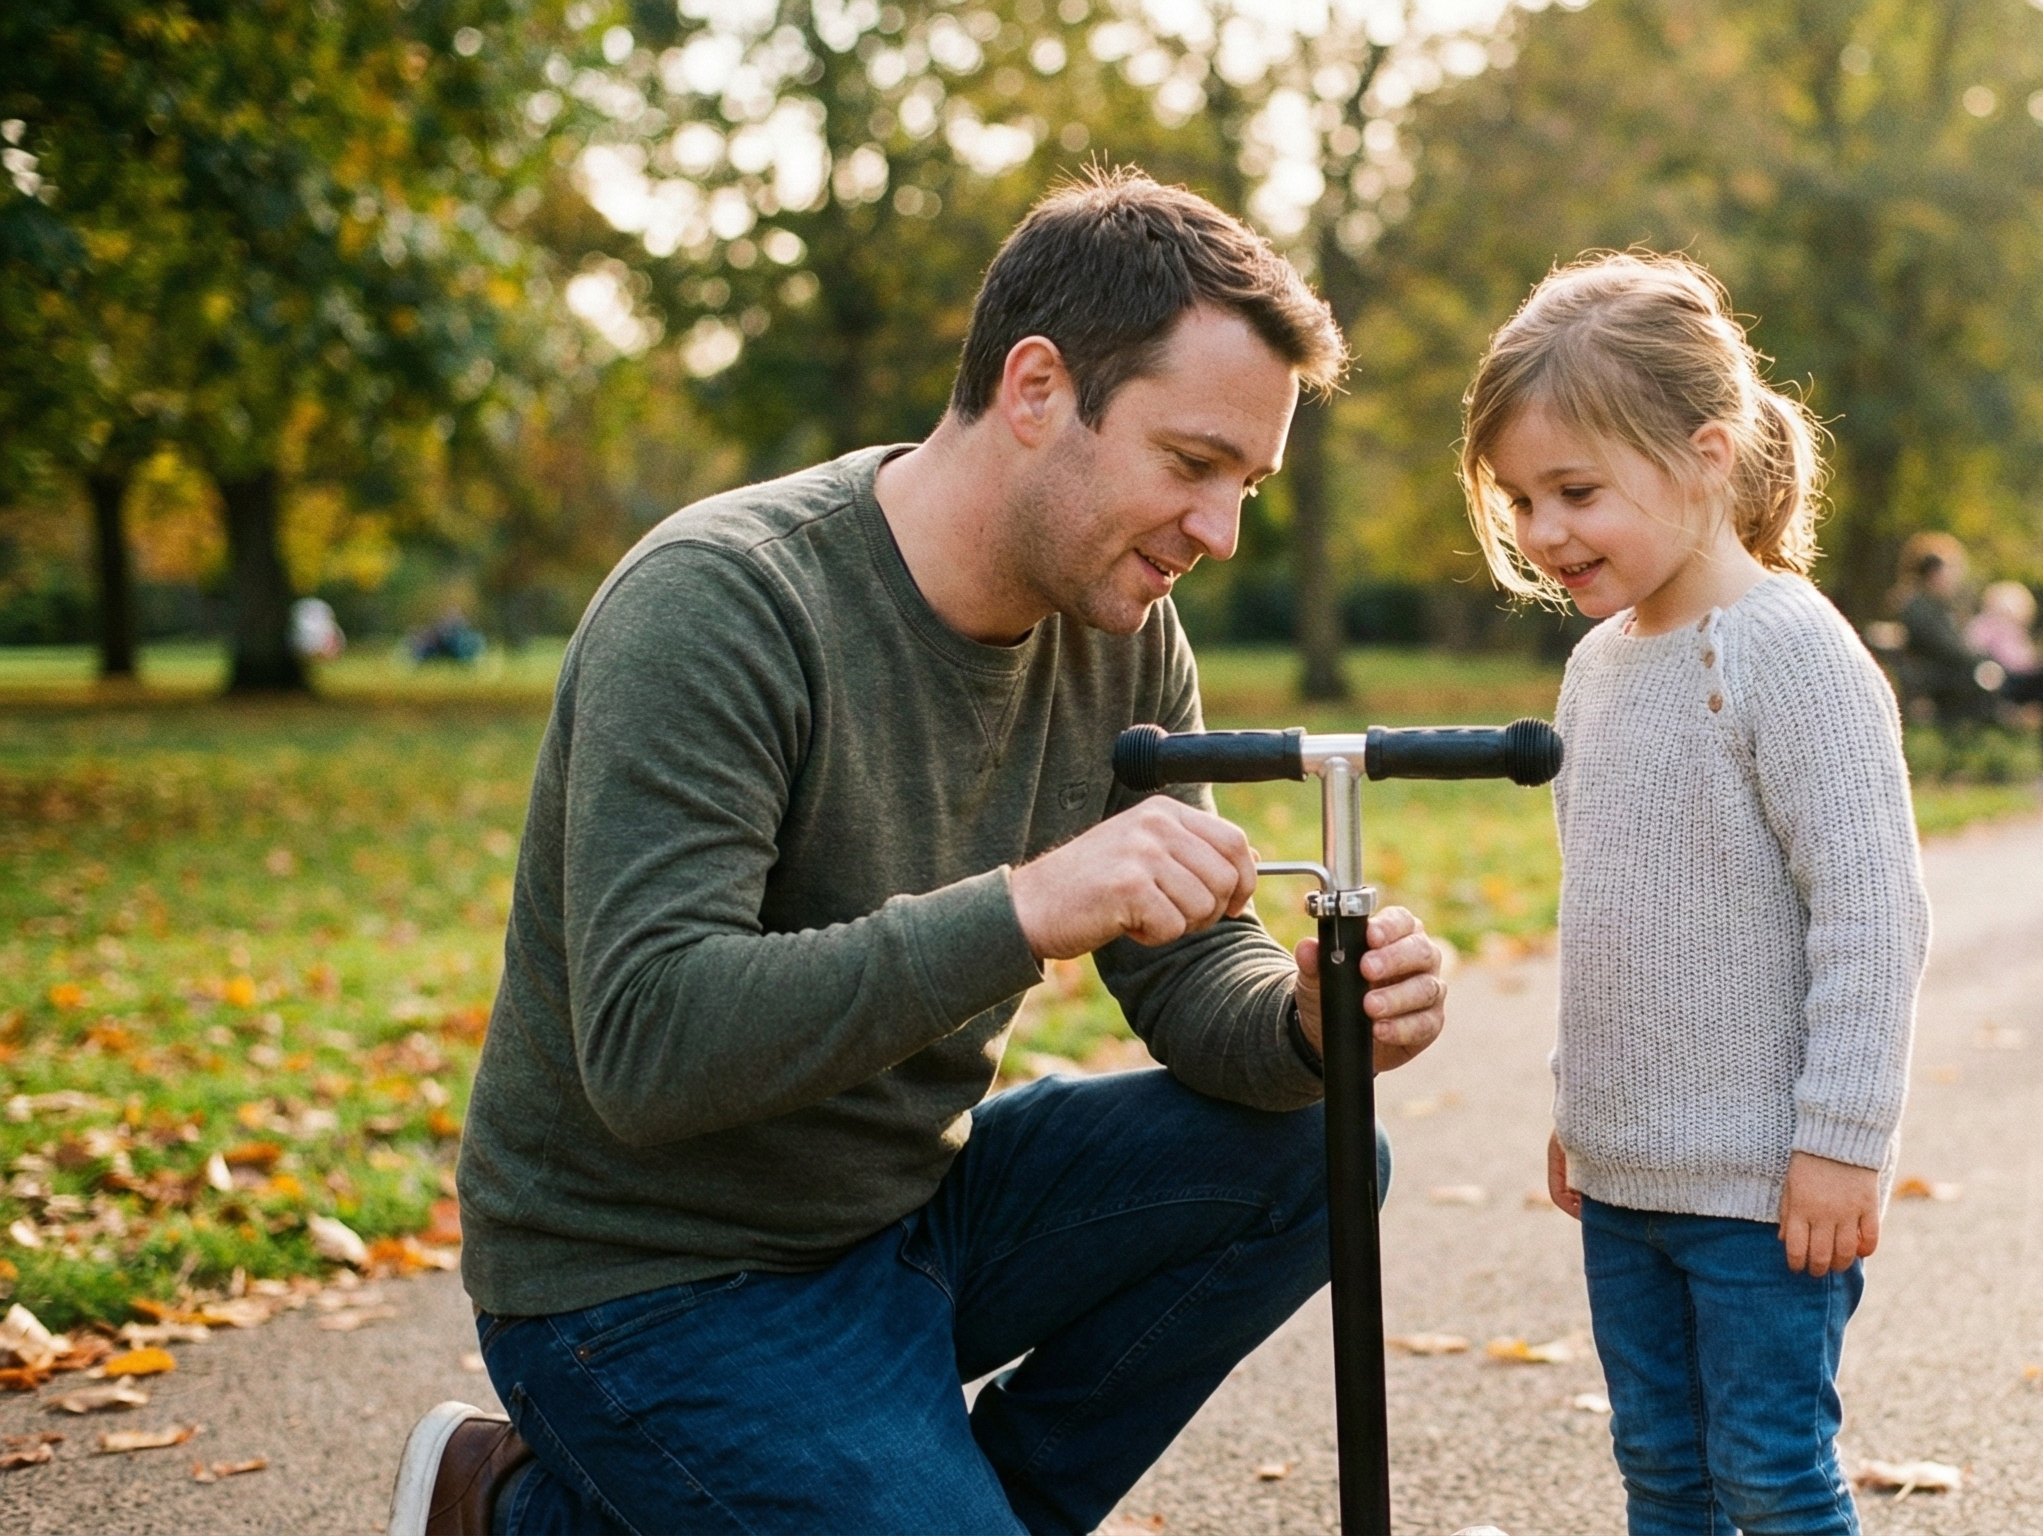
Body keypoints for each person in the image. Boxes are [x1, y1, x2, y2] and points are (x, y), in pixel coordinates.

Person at [387, 172, 1455, 1536]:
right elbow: (649, 1049)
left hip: (907, 1217)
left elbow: (1193, 982)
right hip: (643, 1283)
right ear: (1032, 389)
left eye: (1245, 482)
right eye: (1190, 464)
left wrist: (1304, 1023)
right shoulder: (723, 602)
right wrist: (1021, 907)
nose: (1219, 531)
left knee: (1319, 1153)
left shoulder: (1121, 625)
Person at [1458, 252, 1932, 1536]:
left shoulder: (1789, 650)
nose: (1546, 533)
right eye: (1521, 500)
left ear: (1708, 455)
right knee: (1661, 1475)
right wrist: (1581, 1102)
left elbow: (1873, 920)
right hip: (1624, 1182)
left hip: (1765, 1191)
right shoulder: (1597, 670)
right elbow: (1607, 907)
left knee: (1771, 1480)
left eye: (1577, 491)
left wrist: (1842, 1142)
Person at [1964, 579, 2043, 789]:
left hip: (2021, 682)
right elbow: (1977, 662)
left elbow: (2027, 662)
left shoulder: (2015, 631)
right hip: (2001, 685)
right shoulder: (1982, 626)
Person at [1890, 532, 1988, 725]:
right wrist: (1983, 661)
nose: (1956, 576)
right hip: (1933, 682)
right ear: (1934, 572)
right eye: (1951, 569)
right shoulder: (1919, 607)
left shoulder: (1934, 605)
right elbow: (1947, 649)